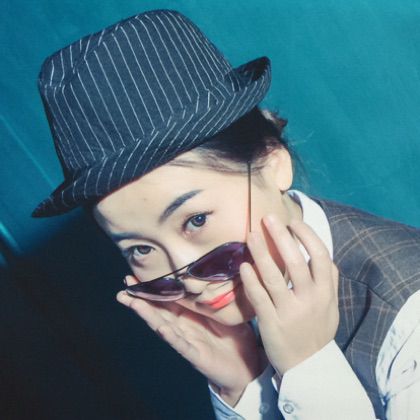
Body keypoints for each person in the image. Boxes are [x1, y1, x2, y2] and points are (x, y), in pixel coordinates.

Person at [32, 9, 420, 420]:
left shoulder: (409, 317)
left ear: (272, 163)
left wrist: (309, 368)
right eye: (140, 249)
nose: (186, 278)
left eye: (196, 220)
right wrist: (247, 388)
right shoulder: (235, 310)